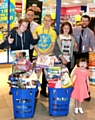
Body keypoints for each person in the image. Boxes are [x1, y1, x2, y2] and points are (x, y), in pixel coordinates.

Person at [33, 14, 57, 97]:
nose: (47, 22)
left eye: (49, 20)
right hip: (37, 54)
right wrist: (39, 52)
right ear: (43, 21)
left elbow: (53, 46)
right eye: (46, 20)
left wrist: (45, 53)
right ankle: (34, 90)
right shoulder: (37, 29)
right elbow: (34, 42)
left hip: (48, 56)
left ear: (51, 22)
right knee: (36, 73)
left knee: (46, 74)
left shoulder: (53, 32)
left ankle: (43, 90)